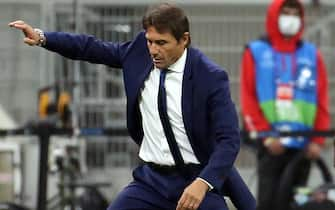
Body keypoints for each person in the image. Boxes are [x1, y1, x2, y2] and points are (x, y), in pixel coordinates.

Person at [9, 3, 255, 210]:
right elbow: (91, 47)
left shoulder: (210, 77)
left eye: (162, 43)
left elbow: (229, 141)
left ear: (184, 40)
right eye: (150, 42)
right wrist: (43, 38)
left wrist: (203, 183)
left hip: (195, 179)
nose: (154, 50)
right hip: (151, 182)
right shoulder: (140, 52)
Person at [240, 0, 330, 210]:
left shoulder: (312, 54)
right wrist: (268, 137)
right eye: (285, 13)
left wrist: (317, 140)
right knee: (269, 203)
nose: (290, 18)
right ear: (274, 16)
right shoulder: (256, 52)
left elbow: (321, 100)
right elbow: (249, 100)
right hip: (272, 148)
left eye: (295, 14)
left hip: (304, 149)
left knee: (298, 205)